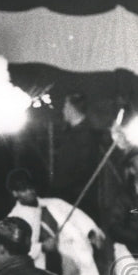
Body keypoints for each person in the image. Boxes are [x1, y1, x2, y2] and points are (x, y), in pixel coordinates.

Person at [50, 93, 102, 221]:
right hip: (71, 196)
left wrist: (61, 189)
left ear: (71, 108)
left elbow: (83, 169)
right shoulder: (72, 132)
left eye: (64, 106)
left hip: (79, 199)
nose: (63, 110)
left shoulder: (85, 135)